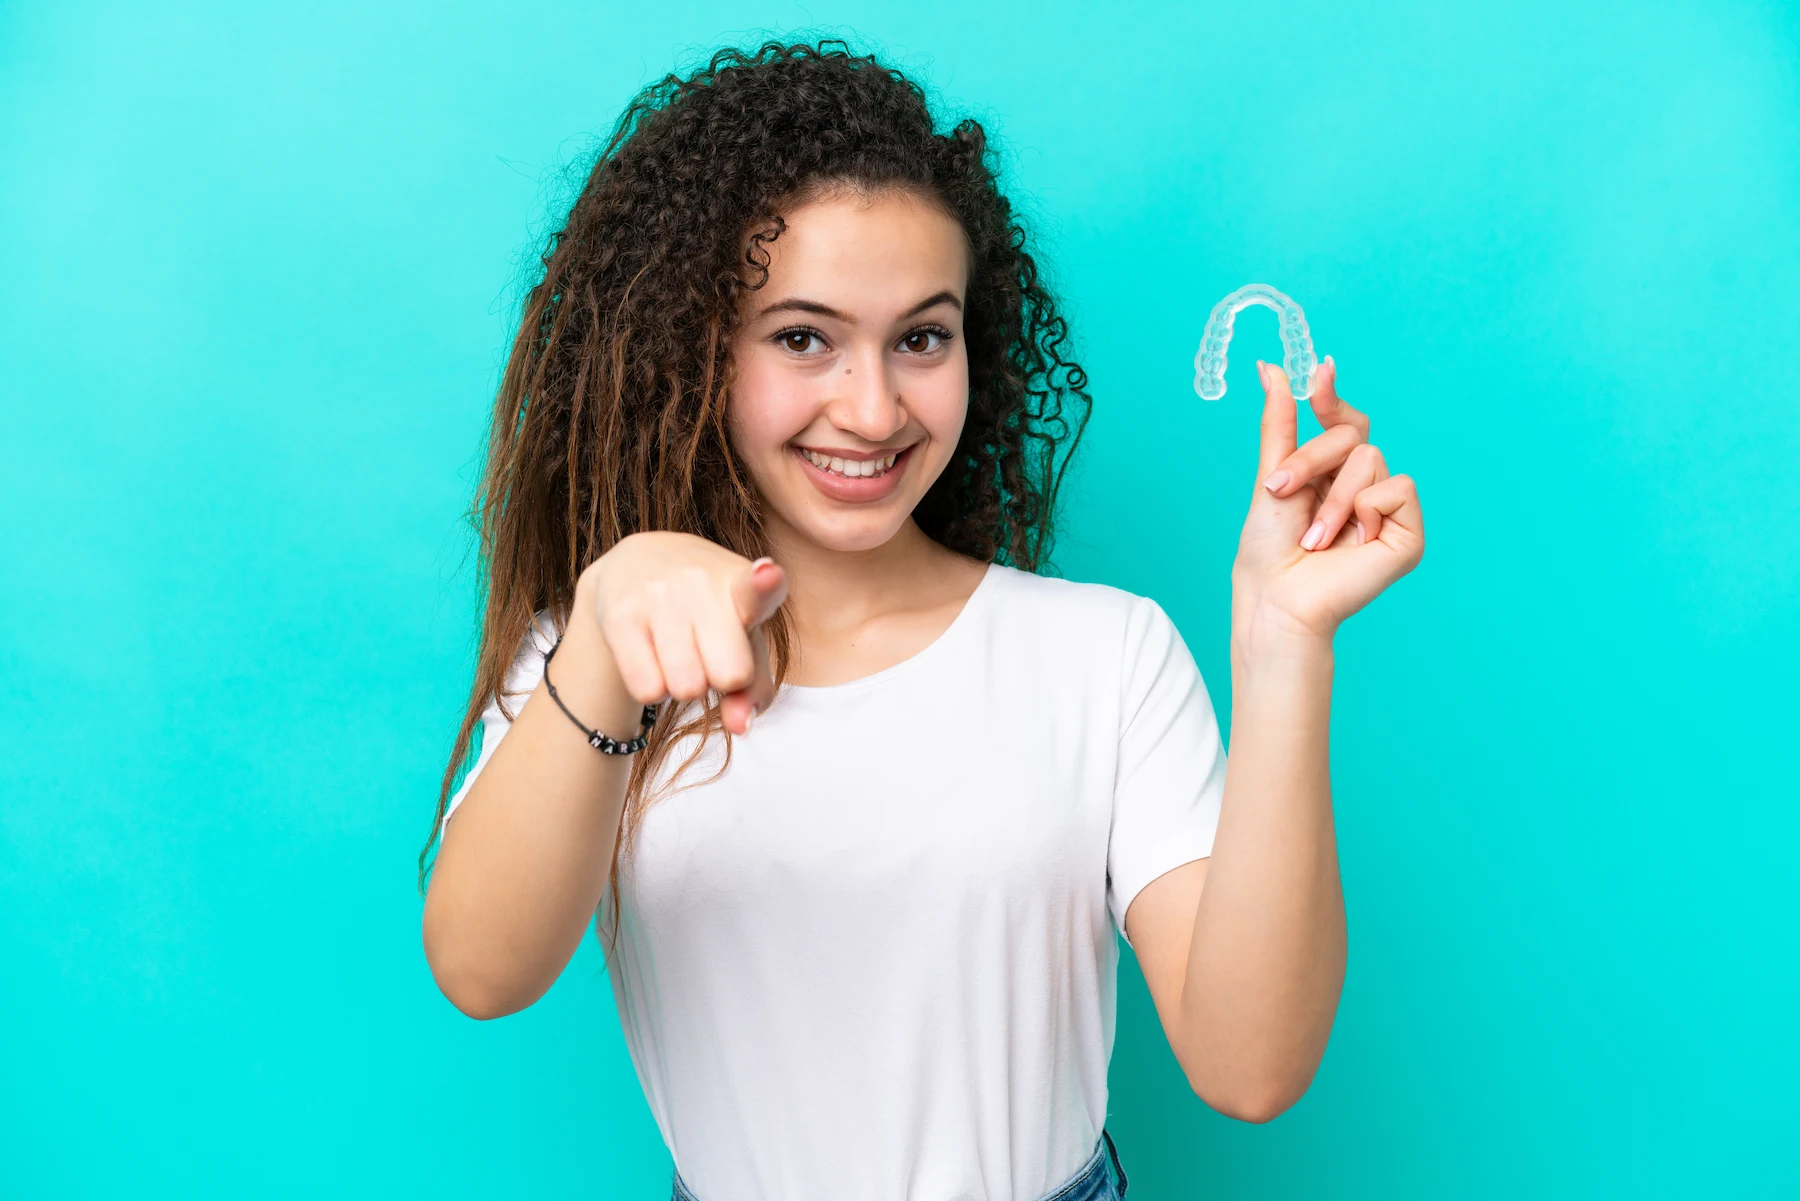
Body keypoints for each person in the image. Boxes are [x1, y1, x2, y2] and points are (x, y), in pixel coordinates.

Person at [419, 39, 1423, 1201]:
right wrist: (597, 652)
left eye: (921, 337)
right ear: (697, 352)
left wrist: (1286, 645)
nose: (874, 405)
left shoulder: (1103, 653)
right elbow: (482, 970)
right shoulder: (607, 652)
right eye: (804, 338)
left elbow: (1250, 1066)